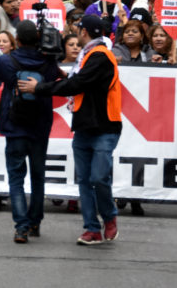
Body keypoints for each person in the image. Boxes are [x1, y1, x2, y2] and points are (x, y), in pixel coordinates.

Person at [18, 15, 122, 246]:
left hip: (104, 126)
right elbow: (77, 81)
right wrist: (63, 76)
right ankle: (92, 229)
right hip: (85, 125)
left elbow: (77, 84)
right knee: (85, 180)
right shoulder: (89, 55)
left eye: (80, 29)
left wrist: (40, 88)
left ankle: (109, 216)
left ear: (84, 32)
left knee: (98, 177)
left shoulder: (100, 56)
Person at [0, 21, 63, 244]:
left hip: (14, 125)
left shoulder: (6, 61)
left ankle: (21, 227)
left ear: (18, 40)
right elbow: (56, 79)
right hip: (40, 125)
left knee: (16, 178)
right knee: (38, 176)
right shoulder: (49, 62)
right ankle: (35, 222)